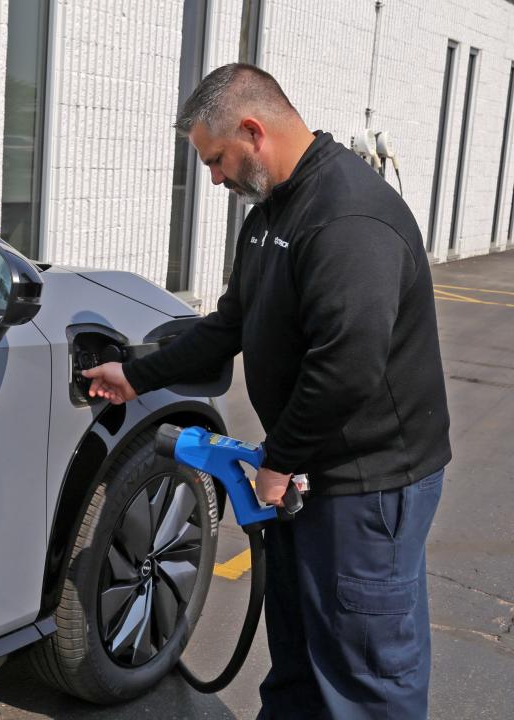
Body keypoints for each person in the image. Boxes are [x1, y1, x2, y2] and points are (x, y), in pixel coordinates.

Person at [82, 63, 451, 719]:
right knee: (302, 654)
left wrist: (279, 460)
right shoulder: (273, 213)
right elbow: (231, 323)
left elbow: (350, 366)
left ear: (253, 131)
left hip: (367, 485)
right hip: (309, 469)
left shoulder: (348, 217)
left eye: (217, 159)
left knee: (366, 674)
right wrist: (135, 374)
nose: (217, 178)